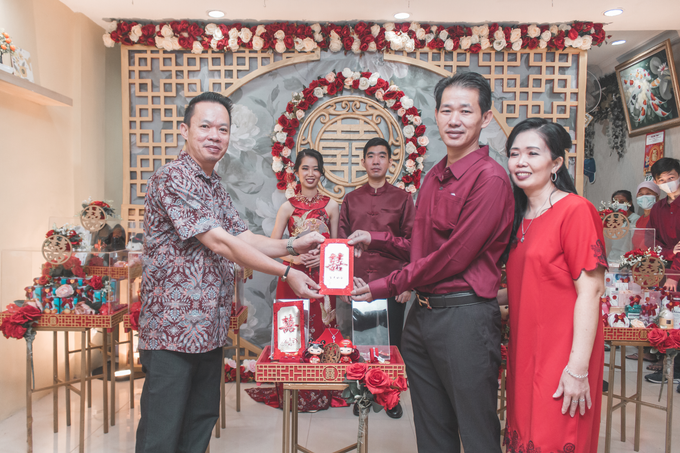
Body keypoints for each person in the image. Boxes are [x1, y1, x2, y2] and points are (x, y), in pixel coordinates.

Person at [136, 92, 324, 453]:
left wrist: (293, 245)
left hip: (209, 328)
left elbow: (246, 238)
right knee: (161, 437)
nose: (214, 135)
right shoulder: (173, 178)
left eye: (222, 128)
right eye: (204, 126)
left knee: (198, 429)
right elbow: (221, 243)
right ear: (184, 130)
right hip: (172, 332)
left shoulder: (214, 186)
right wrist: (287, 272)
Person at [349, 72, 514, 452]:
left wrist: (379, 287)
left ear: (485, 118)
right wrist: (374, 238)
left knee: (476, 432)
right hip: (421, 318)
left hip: (464, 319)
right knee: (431, 430)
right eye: (446, 110)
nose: (454, 120)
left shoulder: (490, 180)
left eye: (465, 111)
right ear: (436, 116)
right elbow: (419, 248)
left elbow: (452, 258)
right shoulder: (434, 176)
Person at [503, 117, 607, 452]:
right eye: (514, 153)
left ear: (556, 163)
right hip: (524, 349)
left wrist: (577, 369)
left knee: (555, 436)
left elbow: (590, 291)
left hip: (563, 352)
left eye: (533, 153)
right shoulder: (520, 216)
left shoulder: (575, 210)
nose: (521, 162)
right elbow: (531, 283)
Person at [246, 149, 345, 412]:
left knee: (322, 332)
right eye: (305, 169)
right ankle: (292, 393)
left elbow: (337, 247)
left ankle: (321, 394)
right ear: (297, 172)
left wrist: (323, 259)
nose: (310, 174)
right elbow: (273, 246)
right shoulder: (287, 207)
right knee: (293, 333)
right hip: (291, 279)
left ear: (321, 172)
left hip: (323, 280)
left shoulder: (332, 205)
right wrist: (295, 260)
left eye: (315, 168)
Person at [338, 137, 415, 419]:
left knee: (391, 344)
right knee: (362, 342)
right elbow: (342, 244)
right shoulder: (351, 199)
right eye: (370, 156)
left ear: (389, 162)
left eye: (382, 156)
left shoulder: (403, 198)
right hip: (358, 282)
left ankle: (391, 398)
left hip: (393, 282)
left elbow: (412, 243)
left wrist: (409, 283)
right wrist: (343, 281)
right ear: (363, 162)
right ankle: (363, 397)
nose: (376, 161)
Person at [645, 157, 680, 384]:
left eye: (672, 178)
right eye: (662, 180)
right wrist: (669, 253)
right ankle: (670, 369)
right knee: (668, 319)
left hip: (674, 274)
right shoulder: (657, 208)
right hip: (664, 271)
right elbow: (650, 241)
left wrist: (674, 274)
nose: (667, 182)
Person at [606, 190, 638, 264]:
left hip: (627, 261)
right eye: (615, 201)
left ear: (630, 203)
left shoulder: (635, 219)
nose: (618, 204)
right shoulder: (611, 221)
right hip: (611, 260)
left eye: (622, 202)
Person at [632, 181, 660, 250]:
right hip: (638, 257)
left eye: (648, 193)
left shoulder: (660, 217)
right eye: (641, 194)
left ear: (657, 197)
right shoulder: (639, 220)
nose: (644, 197)